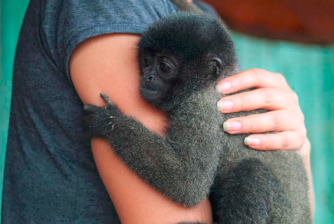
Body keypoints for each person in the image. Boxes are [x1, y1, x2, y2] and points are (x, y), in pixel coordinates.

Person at [1, 0, 313, 223]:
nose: (148, 76)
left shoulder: (201, 30)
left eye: (162, 68)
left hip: (264, 196)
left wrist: (301, 148)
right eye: (147, 63)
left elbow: (186, 185)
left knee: (249, 180)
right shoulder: (108, 7)